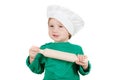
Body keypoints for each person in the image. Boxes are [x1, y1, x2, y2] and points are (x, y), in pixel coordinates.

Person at [26, 5, 91, 80]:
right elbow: (37, 70)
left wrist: (85, 64)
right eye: (51, 26)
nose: (54, 30)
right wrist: (32, 58)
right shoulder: (45, 48)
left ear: (69, 31)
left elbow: (83, 71)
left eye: (60, 26)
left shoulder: (77, 49)